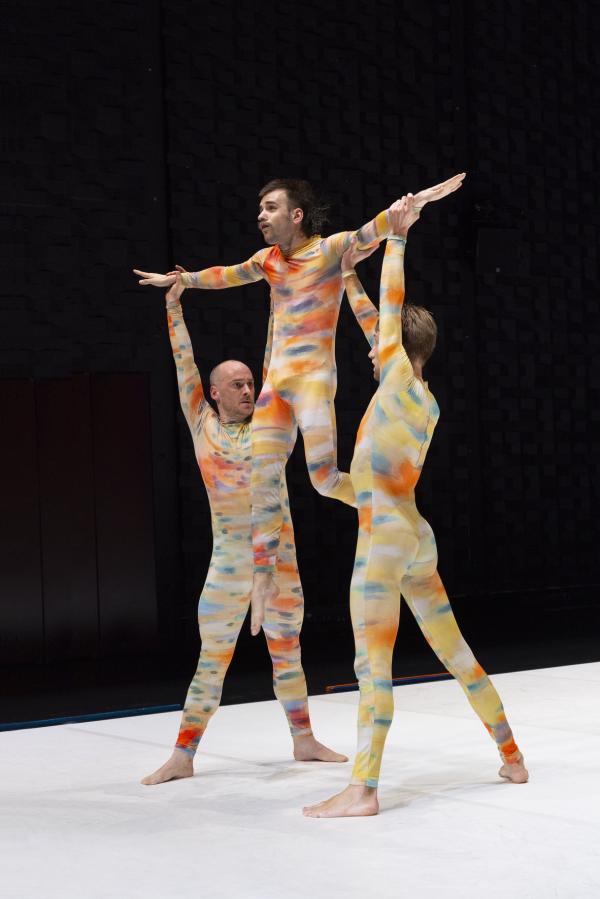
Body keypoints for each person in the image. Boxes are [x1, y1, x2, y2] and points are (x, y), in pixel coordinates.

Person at [134, 174, 466, 633]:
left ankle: (385, 503)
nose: (260, 216)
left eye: (270, 208)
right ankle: (263, 577)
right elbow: (226, 275)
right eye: (260, 208)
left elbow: (370, 231)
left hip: (312, 382)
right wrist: (182, 280)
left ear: (296, 214)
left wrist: (411, 207)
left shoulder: (329, 251)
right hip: (276, 385)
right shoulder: (267, 261)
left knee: (324, 479)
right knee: (263, 475)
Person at [303, 194, 528, 818]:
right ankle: (511, 754)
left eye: (381, 341)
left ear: (397, 347)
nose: (370, 346)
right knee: (456, 653)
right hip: (412, 535)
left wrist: (397, 239)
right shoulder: (419, 397)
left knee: (371, 665)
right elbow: (377, 322)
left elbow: (388, 312)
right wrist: (348, 277)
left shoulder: (398, 379)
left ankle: (363, 789)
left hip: (383, 541)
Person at [141, 276, 346, 785]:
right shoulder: (202, 424)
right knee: (211, 660)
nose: (248, 389)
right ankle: (183, 754)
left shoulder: (273, 426)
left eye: (250, 383)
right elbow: (184, 366)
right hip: (229, 563)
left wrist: (278, 301)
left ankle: (303, 739)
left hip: (280, 563)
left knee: (288, 652)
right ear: (214, 393)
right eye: (237, 384)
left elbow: (277, 360)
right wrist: (174, 307)